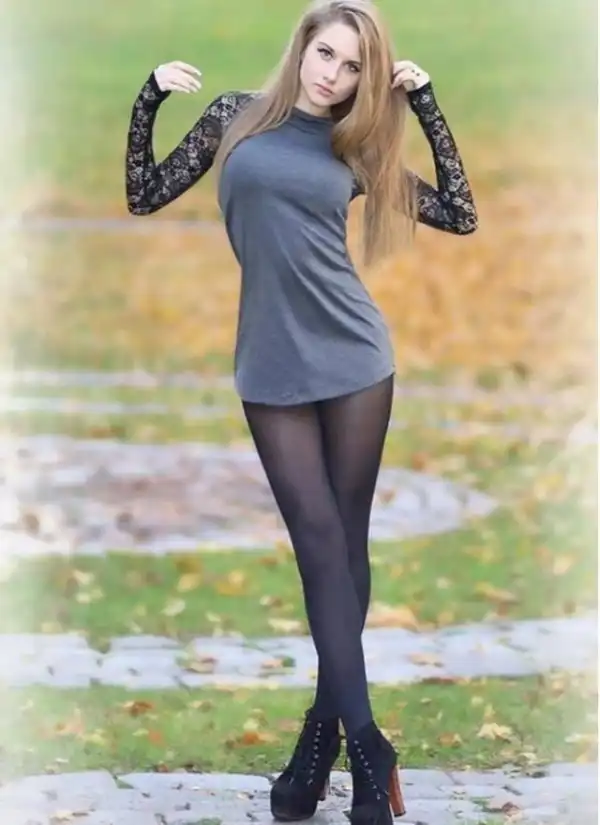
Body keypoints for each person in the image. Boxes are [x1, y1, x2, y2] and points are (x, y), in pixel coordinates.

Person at [125, 0, 477, 821]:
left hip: (354, 360)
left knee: (342, 549)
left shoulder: (356, 147)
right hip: (270, 363)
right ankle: (364, 742)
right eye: (326, 55)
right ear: (302, 47)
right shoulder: (234, 119)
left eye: (354, 67)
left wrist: (425, 106)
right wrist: (148, 99)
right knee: (319, 544)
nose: (334, 76)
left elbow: (460, 212)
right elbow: (144, 194)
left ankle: (323, 748)